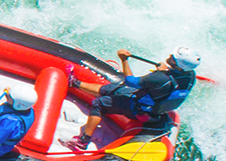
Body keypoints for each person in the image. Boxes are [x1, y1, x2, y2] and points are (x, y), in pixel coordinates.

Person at [68, 46, 201, 149]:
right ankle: (75, 83)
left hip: (138, 108)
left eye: (174, 57)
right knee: (111, 89)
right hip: (152, 104)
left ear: (178, 65)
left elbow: (131, 81)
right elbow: (166, 83)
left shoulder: (160, 78)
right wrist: (164, 71)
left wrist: (124, 59)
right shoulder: (190, 76)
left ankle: (83, 141)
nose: (170, 55)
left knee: (99, 104)